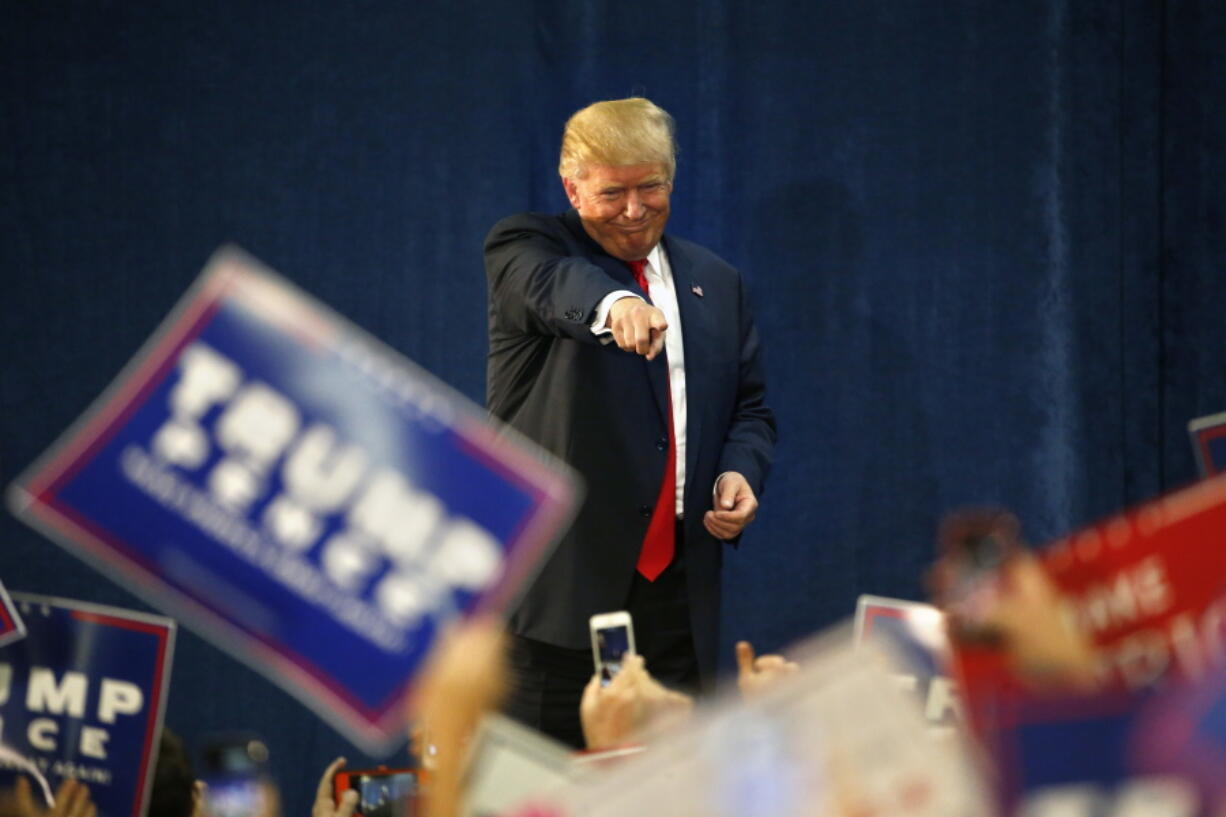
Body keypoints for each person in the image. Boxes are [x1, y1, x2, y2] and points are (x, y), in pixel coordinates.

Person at [485, 96, 777, 747]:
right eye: (613, 192)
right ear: (573, 187)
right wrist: (615, 301)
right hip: (555, 605)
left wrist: (739, 470)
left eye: (651, 186)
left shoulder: (716, 281)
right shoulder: (524, 246)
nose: (635, 208)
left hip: (677, 603)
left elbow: (750, 410)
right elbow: (550, 285)